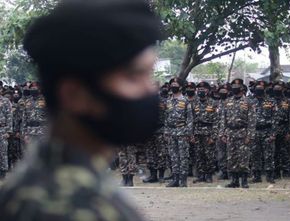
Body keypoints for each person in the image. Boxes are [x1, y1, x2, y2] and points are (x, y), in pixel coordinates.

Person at [0, 0, 162, 220]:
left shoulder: (57, 181)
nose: (149, 89)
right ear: (73, 94)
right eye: (133, 77)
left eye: (149, 75)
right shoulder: (70, 207)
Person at [220, 79, 256, 188]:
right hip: (230, 132)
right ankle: (234, 181)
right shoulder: (227, 101)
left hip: (243, 132)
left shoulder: (248, 102)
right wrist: (222, 133)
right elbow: (223, 118)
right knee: (231, 157)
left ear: (241, 88)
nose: (234, 88)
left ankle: (244, 181)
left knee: (243, 157)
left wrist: (249, 135)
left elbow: (252, 120)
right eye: (233, 86)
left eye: (237, 86)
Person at [165, 78, 193, 187]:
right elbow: (167, 117)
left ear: (180, 87)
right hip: (171, 132)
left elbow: (190, 119)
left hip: (182, 131)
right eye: (172, 84)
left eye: (175, 84)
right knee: (173, 156)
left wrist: (189, 133)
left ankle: (183, 180)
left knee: (183, 156)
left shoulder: (185, 101)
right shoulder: (169, 100)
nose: (173, 86)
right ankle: (175, 179)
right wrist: (166, 132)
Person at [192, 82, 218, 183]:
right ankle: (201, 175)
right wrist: (192, 134)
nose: (201, 90)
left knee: (209, 155)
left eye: (204, 89)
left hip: (208, 132)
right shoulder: (194, 103)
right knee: (199, 154)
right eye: (199, 89)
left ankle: (209, 175)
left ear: (208, 90)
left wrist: (213, 135)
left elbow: (216, 121)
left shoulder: (213, 103)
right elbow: (191, 120)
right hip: (197, 132)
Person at [251, 81, 276, 183]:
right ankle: (257, 176)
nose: (259, 90)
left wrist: (273, 133)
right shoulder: (250, 102)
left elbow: (275, 118)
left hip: (267, 131)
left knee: (268, 154)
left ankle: (270, 176)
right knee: (255, 154)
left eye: (261, 89)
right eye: (257, 89)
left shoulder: (270, 101)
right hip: (255, 131)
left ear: (264, 89)